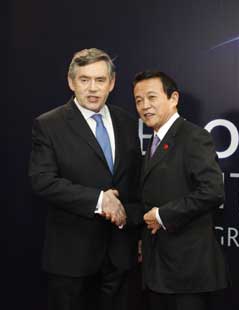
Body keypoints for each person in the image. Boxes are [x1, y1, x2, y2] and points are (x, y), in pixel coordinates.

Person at [29, 48, 142, 310]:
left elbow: (134, 182)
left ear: (111, 84)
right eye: (84, 80)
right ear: (71, 82)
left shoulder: (126, 121)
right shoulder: (49, 124)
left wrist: (138, 234)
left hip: (120, 255)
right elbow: (42, 180)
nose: (92, 88)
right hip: (72, 258)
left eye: (100, 80)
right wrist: (99, 200)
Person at [134, 71, 230, 310]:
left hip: (187, 272)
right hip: (157, 268)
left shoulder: (193, 137)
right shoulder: (153, 141)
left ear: (173, 98)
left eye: (152, 97)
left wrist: (162, 216)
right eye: (138, 100)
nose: (145, 106)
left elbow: (213, 191)